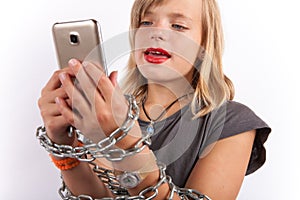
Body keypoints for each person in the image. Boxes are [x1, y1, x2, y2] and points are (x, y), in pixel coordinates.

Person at [37, 0, 271, 199]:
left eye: (178, 26)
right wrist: (63, 147)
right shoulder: (107, 112)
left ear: (203, 46)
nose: (156, 32)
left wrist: (123, 140)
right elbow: (96, 196)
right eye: (146, 22)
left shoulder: (232, 123)